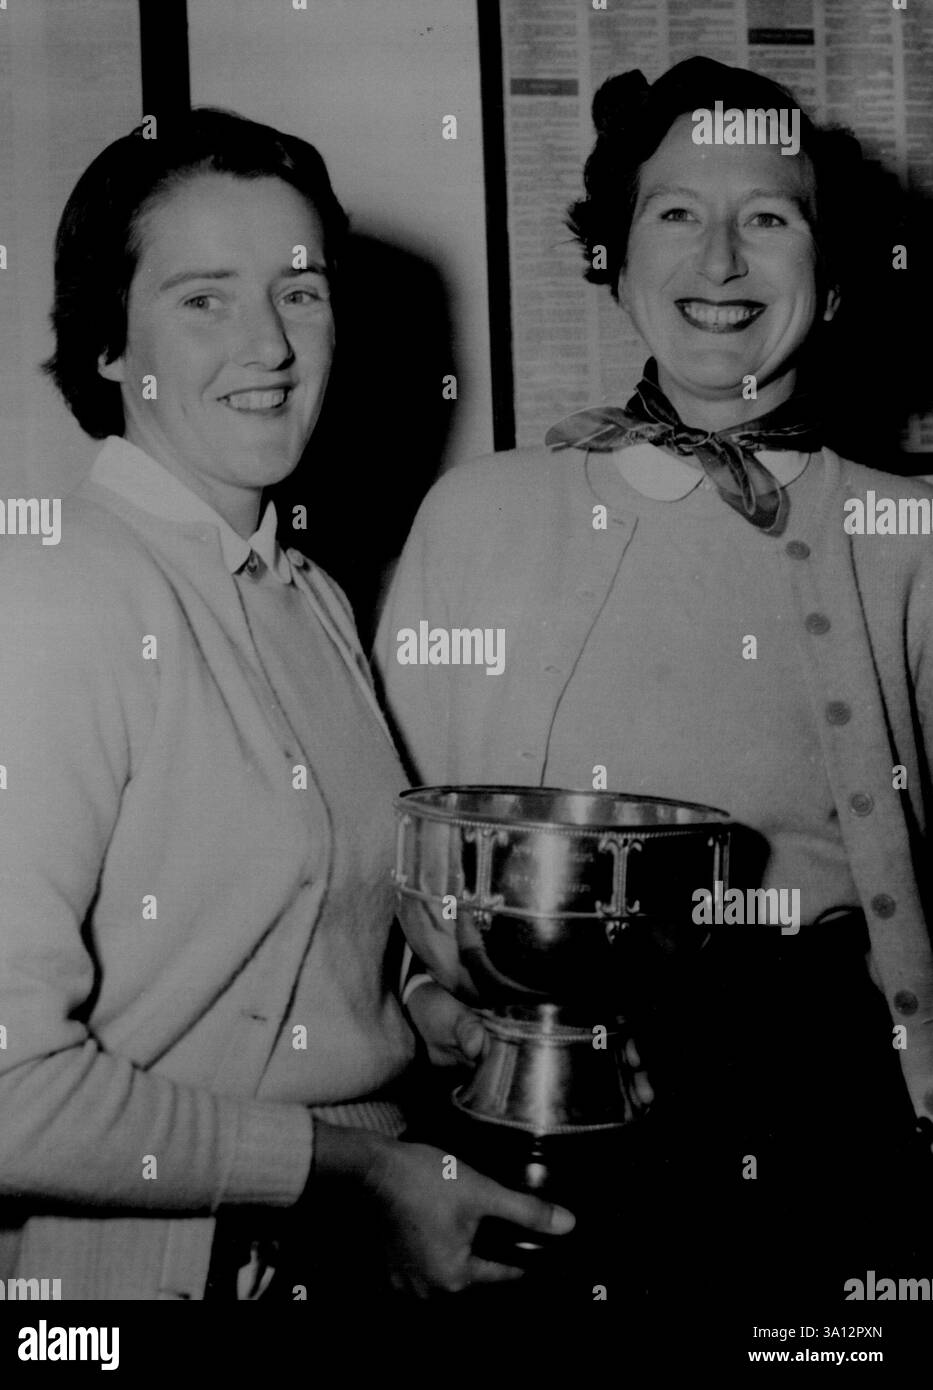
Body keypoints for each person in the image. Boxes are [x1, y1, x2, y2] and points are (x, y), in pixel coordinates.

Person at [0, 108, 575, 1301]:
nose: (270, 345)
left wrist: (429, 1011)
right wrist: (340, 1167)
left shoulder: (306, 592)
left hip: (341, 1233)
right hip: (146, 1272)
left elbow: (295, 934)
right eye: (203, 299)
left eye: (300, 292)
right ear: (106, 344)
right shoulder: (60, 589)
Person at [377, 58, 933, 1304]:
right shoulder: (477, 516)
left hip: (821, 1119)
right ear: (614, 260)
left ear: (832, 277)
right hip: (523, 1095)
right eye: (675, 212)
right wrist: (433, 1001)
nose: (720, 259)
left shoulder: (912, 540)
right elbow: (382, 837)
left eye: (769, 218)